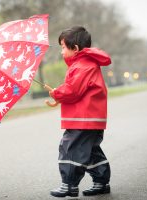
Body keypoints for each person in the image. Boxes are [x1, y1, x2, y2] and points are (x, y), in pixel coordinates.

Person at [49, 26, 112, 198]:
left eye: (63, 47)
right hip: (90, 118)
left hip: (82, 119)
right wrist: (58, 97)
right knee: (90, 151)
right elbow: (77, 91)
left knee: (70, 147)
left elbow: (72, 90)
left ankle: (69, 185)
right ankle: (101, 181)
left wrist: (57, 92)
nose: (61, 52)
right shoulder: (85, 64)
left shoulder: (82, 65)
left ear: (75, 48)